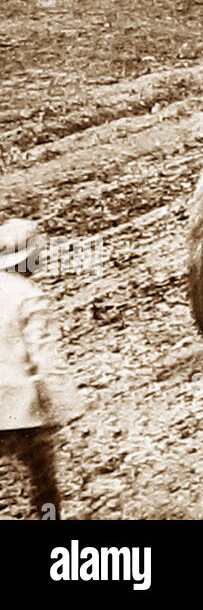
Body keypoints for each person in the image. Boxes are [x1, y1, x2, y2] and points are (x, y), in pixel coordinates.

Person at [0, 219, 84, 520]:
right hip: (22, 412)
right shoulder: (29, 297)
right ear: (29, 258)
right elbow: (46, 358)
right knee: (43, 484)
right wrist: (66, 405)